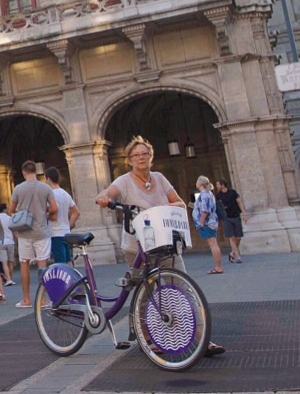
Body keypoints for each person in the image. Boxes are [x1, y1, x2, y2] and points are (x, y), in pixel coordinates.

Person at [96, 137, 224, 357]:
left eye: (144, 153)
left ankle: (202, 338)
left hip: (164, 242)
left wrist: (165, 204)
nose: (141, 158)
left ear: (150, 156)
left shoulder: (159, 178)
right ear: (130, 160)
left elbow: (179, 202)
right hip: (136, 246)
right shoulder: (125, 181)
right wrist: (104, 197)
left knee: (184, 289)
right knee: (146, 290)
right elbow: (109, 192)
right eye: (136, 155)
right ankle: (146, 337)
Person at [10, 162, 58, 309]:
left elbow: (11, 210)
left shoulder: (18, 188)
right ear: (36, 172)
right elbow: (55, 208)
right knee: (42, 264)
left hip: (25, 232)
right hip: (41, 231)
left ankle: (26, 299)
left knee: (24, 263)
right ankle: (43, 300)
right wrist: (44, 213)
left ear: (24, 172)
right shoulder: (45, 187)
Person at [46, 166, 80, 265]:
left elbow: (54, 215)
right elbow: (76, 212)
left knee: (60, 262)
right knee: (69, 260)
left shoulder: (52, 195)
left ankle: (64, 281)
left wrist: (46, 215)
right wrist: (69, 225)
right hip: (66, 232)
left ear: (48, 179)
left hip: (56, 232)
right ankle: (73, 279)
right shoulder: (65, 193)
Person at [193, 176, 223, 274]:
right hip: (211, 222)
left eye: (197, 181)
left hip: (207, 223)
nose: (196, 183)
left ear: (201, 184)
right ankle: (218, 266)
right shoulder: (208, 194)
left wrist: (201, 222)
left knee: (213, 244)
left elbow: (205, 210)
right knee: (213, 243)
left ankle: (218, 267)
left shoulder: (204, 194)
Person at [214, 179, 245, 264]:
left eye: (218, 184)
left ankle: (232, 253)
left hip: (236, 216)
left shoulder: (233, 192)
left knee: (238, 237)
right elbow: (217, 206)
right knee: (232, 237)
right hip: (226, 218)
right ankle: (238, 257)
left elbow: (239, 202)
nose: (217, 186)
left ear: (222, 185)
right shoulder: (218, 195)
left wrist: (244, 213)